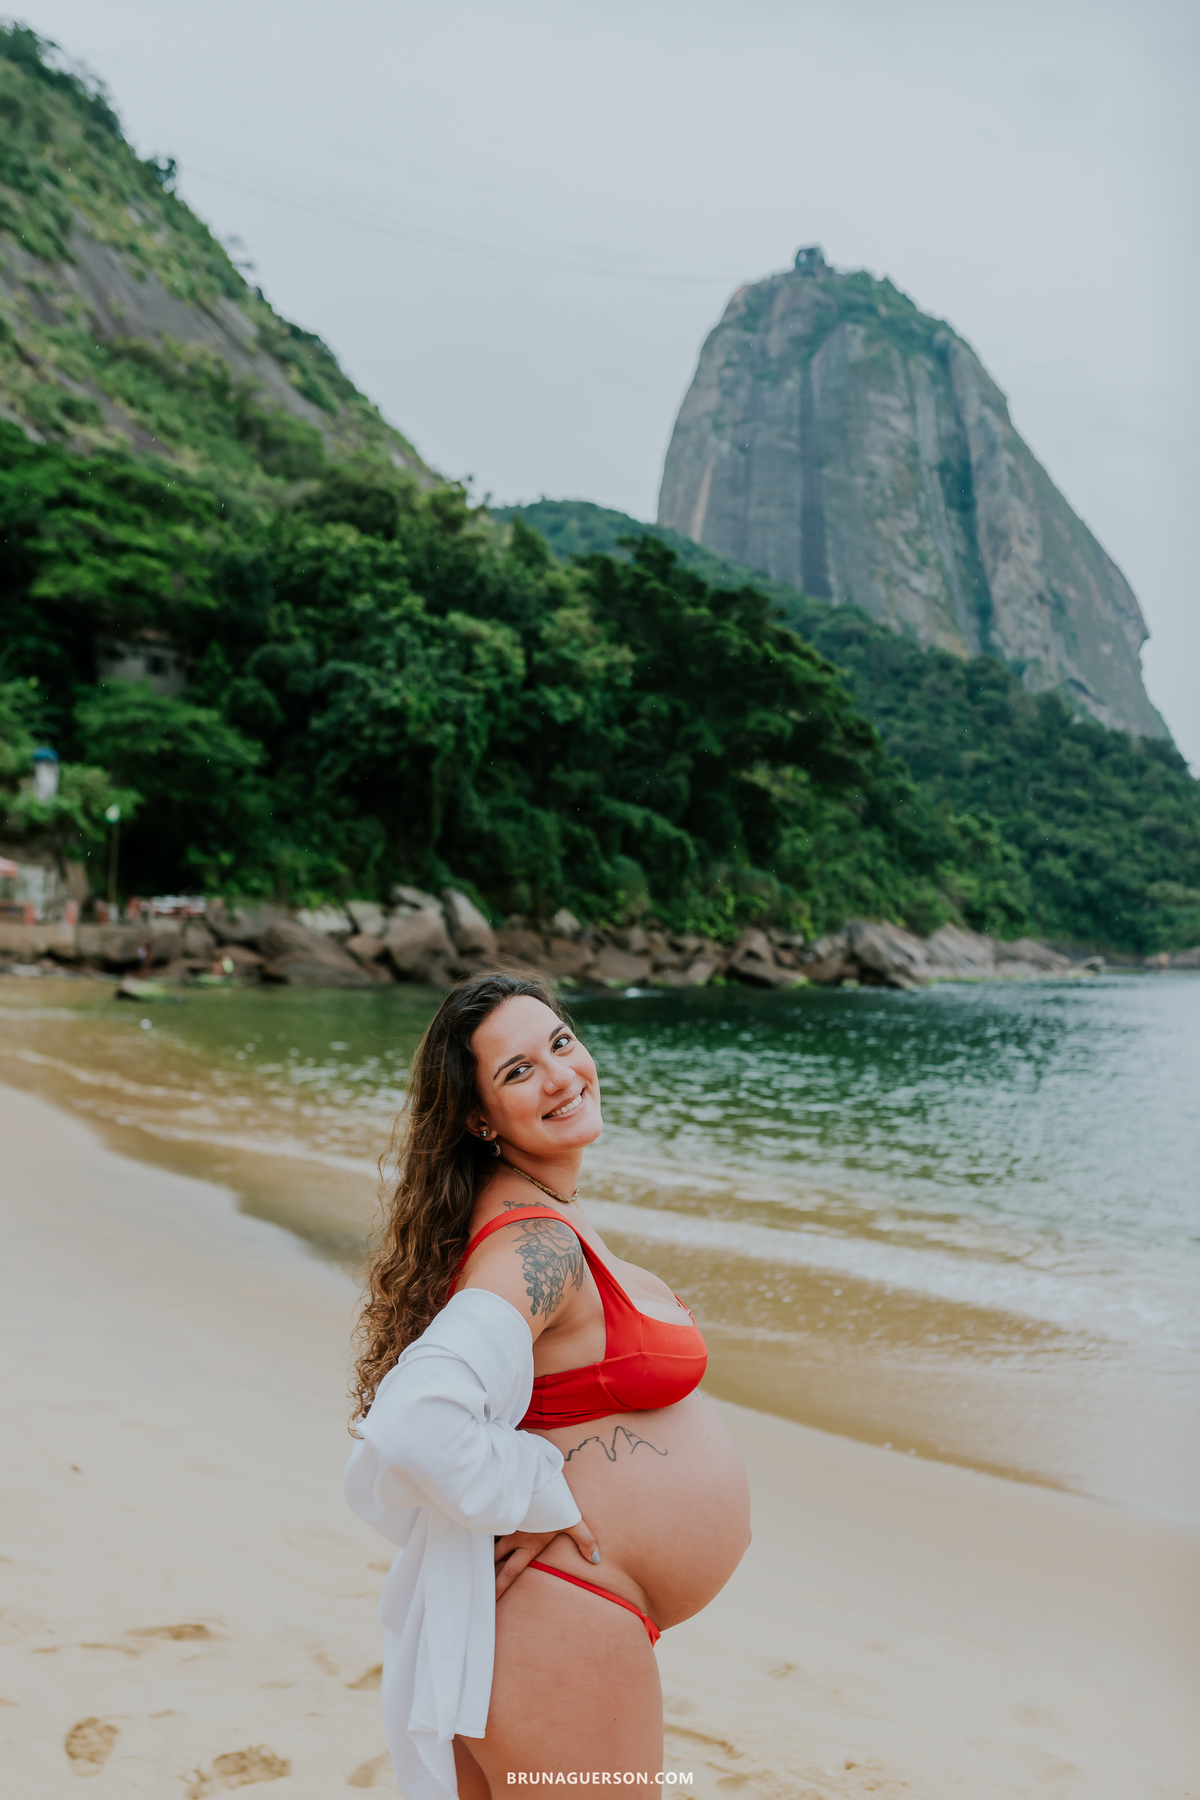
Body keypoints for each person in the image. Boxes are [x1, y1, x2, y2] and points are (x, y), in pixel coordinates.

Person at [344, 972, 751, 1798]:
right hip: (563, 1620)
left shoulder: (539, 1215)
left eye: (561, 1043)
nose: (562, 1076)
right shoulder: (537, 1245)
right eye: (519, 1071)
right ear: (479, 1118)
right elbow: (416, 1420)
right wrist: (538, 1493)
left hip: (563, 1620)